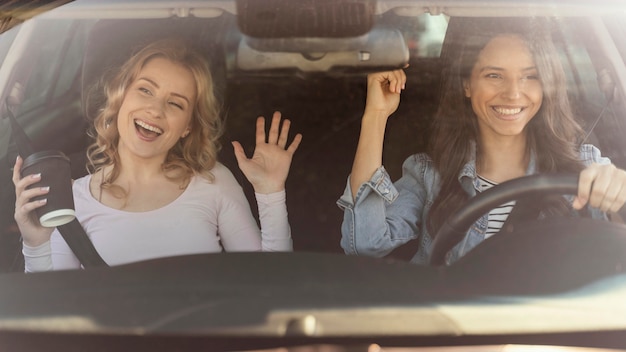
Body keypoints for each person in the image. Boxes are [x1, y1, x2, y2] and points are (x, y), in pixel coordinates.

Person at [337, 17, 626, 265]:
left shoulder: (585, 170)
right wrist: (375, 115)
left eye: (529, 77)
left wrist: (617, 192)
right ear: (466, 83)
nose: (513, 93)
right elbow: (364, 244)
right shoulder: (431, 176)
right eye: (494, 75)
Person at [13, 38, 302, 272]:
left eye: (175, 104)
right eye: (145, 90)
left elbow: (271, 280)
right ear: (120, 97)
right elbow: (53, 303)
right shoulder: (73, 198)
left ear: (188, 127)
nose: (156, 110)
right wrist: (36, 242)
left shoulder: (214, 183)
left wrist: (270, 193)